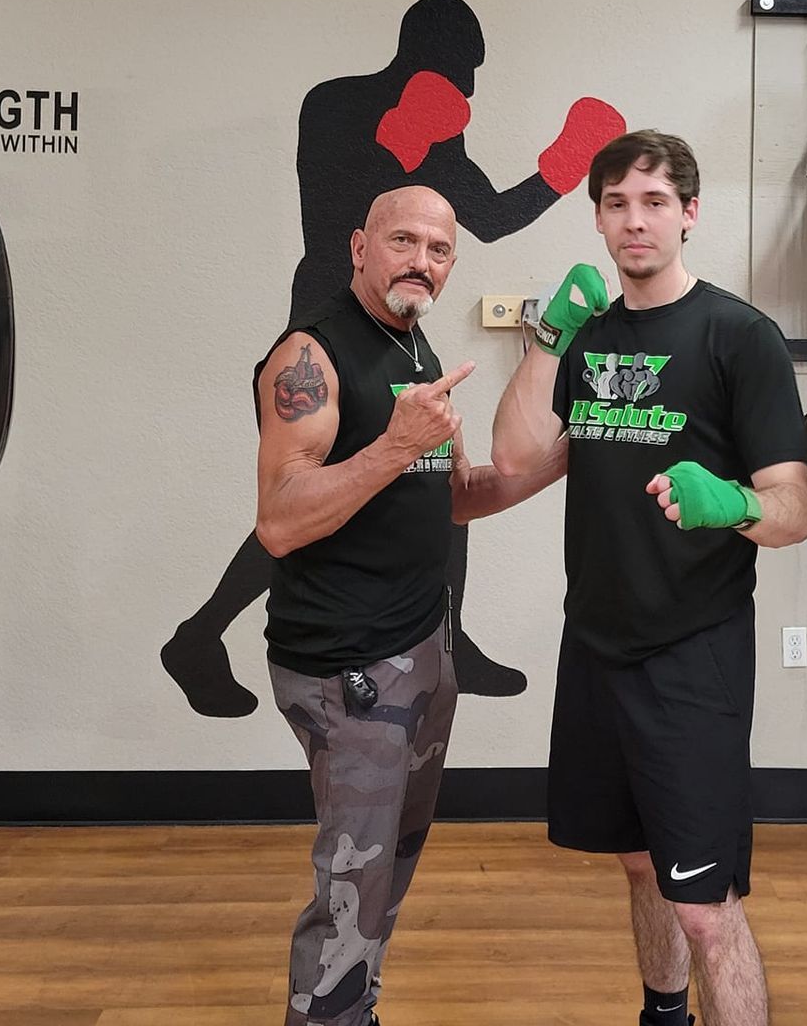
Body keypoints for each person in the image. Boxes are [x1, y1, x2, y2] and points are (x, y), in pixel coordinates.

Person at [164, 0, 622, 715]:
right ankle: (202, 634)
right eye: (466, 69)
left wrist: (565, 167)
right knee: (325, 487)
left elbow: (491, 218)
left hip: (402, 322)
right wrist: (398, 139)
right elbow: (351, 203)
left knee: (435, 472)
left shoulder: (439, 130)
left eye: (438, 249)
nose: (468, 89)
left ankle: (449, 635)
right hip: (337, 303)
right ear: (430, 51)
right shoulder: (336, 103)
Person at [491, 130, 807, 1026]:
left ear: (690, 214)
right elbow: (515, 455)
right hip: (595, 644)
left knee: (705, 905)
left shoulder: (738, 336)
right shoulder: (585, 337)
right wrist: (549, 335)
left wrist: (731, 503)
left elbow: (796, 511)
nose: (636, 221)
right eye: (617, 203)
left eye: (655, 202)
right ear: (596, 217)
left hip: (692, 653)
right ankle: (662, 1015)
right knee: (638, 861)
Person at [257, 185, 561, 1026]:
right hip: (347, 665)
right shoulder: (310, 357)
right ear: (359, 247)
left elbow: (455, 495)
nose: (420, 261)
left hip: (420, 649)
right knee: (352, 886)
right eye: (402, 241)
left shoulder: (418, 349)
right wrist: (394, 445)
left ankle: (357, 1007)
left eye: (438, 249)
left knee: (390, 863)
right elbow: (280, 522)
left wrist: (573, 450)